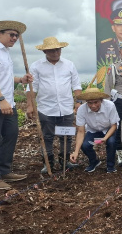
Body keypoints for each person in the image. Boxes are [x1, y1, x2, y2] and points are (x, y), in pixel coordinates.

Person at [0, 20, 31, 190]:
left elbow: (2, 77)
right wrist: (1, 99)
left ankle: (3, 170)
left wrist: (20, 79)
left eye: (17, 35)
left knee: (11, 135)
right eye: (12, 34)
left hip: (7, 103)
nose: (15, 38)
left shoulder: (5, 53)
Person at [27, 37, 82, 173]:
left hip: (66, 107)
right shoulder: (36, 66)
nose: (55, 52)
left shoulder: (69, 65)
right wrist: (29, 106)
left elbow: (76, 85)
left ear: (60, 49)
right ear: (45, 51)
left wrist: (78, 102)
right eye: (51, 50)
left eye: (57, 49)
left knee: (67, 136)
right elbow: (32, 87)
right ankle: (48, 163)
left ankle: (65, 162)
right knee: (47, 137)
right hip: (46, 108)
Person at [70, 88, 118, 173]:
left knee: (111, 142)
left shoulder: (110, 106)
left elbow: (114, 126)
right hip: (93, 130)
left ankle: (110, 166)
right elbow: (81, 131)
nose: (93, 106)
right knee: (84, 145)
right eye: (90, 103)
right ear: (86, 102)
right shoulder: (81, 109)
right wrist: (76, 152)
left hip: (108, 129)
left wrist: (105, 138)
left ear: (101, 100)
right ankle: (94, 161)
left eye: (96, 102)